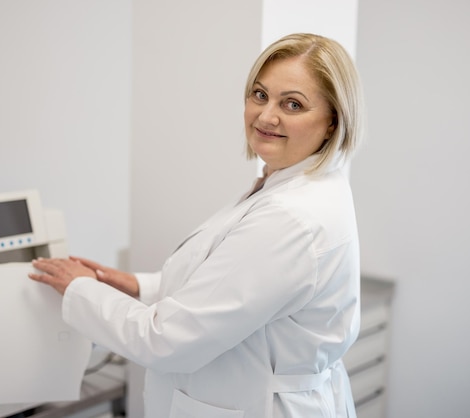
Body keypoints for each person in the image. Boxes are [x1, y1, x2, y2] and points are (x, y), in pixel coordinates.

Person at [29, 32, 364, 418]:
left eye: (293, 104)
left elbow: (166, 341)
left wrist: (80, 289)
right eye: (260, 95)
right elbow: (229, 289)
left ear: (332, 122)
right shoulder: (297, 185)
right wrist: (140, 287)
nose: (266, 116)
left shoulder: (290, 218)